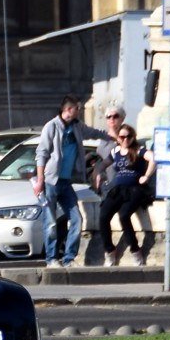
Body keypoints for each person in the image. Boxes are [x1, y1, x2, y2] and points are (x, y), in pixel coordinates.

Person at [32, 95, 114, 267]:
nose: (80, 111)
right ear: (69, 110)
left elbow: (92, 133)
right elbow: (42, 154)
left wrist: (111, 136)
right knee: (51, 222)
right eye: (78, 108)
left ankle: (69, 258)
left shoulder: (77, 127)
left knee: (76, 218)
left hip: (66, 181)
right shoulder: (52, 127)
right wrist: (40, 180)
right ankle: (52, 259)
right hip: (51, 181)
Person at [98, 124, 156, 267]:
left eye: (128, 137)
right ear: (118, 138)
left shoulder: (138, 150)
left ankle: (136, 251)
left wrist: (146, 176)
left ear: (133, 137)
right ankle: (109, 250)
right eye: (122, 137)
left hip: (135, 189)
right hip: (118, 188)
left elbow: (154, 158)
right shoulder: (115, 151)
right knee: (103, 216)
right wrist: (98, 173)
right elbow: (102, 164)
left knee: (124, 215)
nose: (125, 140)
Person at [95, 105, 128, 193]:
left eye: (115, 116)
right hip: (103, 182)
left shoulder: (127, 136)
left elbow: (131, 152)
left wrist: (117, 138)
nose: (111, 119)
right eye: (108, 117)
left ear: (122, 118)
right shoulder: (101, 136)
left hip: (120, 181)